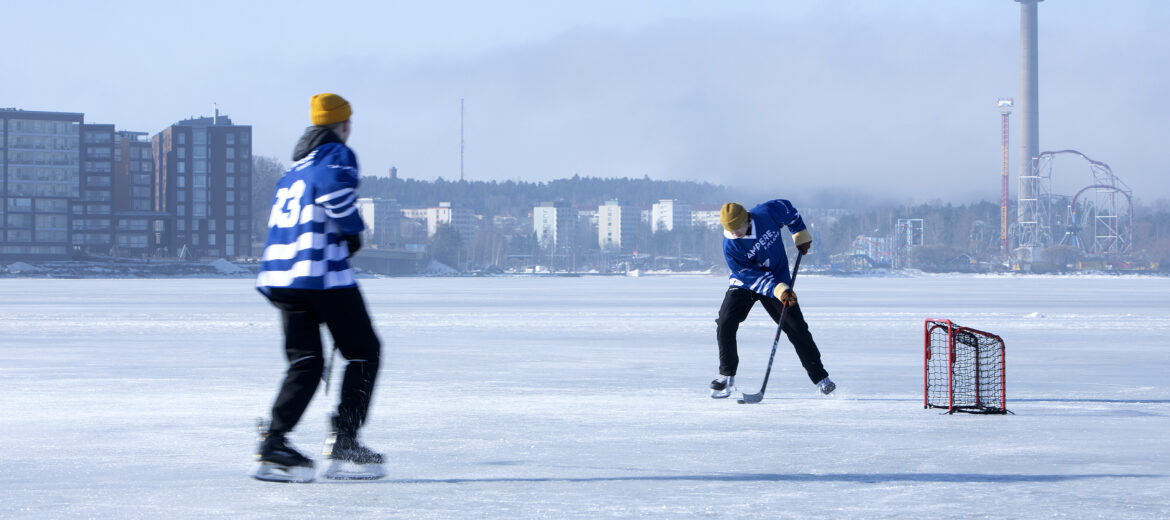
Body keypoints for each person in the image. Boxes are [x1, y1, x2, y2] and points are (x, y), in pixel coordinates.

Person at [252, 93, 384, 482]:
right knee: (364, 352)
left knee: (306, 362)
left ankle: (274, 442)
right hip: (321, 273)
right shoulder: (335, 155)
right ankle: (345, 441)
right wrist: (354, 232)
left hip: (281, 276)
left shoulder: (293, 170)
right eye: (348, 124)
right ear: (341, 125)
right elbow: (335, 191)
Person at [709, 200, 835, 399]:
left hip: (778, 280)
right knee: (725, 322)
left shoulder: (767, 213)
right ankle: (726, 375)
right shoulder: (731, 245)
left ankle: (821, 379)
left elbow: (789, 211)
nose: (735, 233)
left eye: (737, 228)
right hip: (747, 283)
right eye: (730, 230)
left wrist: (799, 233)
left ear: (746, 219)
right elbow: (748, 274)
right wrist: (778, 289)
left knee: (797, 329)